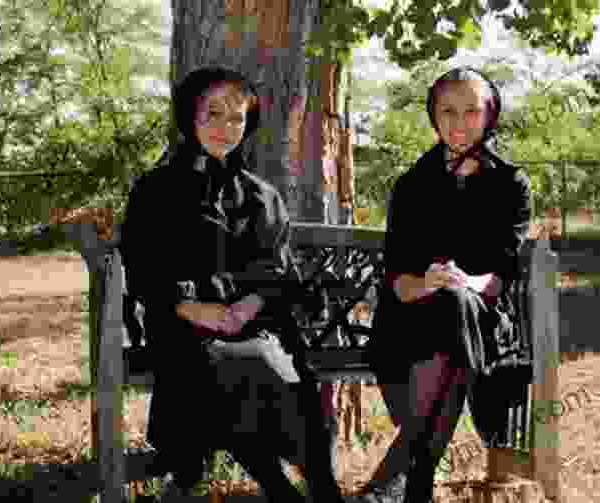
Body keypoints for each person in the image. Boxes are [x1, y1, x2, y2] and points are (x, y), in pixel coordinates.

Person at [119, 66, 345, 502]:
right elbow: (144, 267)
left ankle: (316, 484)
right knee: (239, 363)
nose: (226, 128)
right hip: (181, 323)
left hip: (256, 320)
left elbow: (275, 268)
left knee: (275, 363)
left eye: (237, 118)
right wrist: (191, 307)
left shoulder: (261, 196)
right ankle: (282, 486)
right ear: (190, 116)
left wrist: (251, 303)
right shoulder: (156, 191)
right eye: (214, 114)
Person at [357, 67, 532, 503]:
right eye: (448, 111)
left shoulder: (510, 183)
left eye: (472, 111)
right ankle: (411, 483)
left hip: (480, 317)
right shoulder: (412, 184)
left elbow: (502, 276)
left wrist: (465, 281)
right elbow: (395, 278)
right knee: (448, 319)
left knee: (455, 307)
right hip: (410, 316)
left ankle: (406, 483)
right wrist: (424, 282)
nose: (459, 122)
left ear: (490, 114)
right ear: (433, 116)